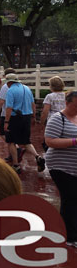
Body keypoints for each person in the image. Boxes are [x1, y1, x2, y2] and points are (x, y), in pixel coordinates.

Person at [44, 90, 77, 248]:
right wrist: (74, 142)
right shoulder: (58, 119)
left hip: (74, 166)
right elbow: (50, 141)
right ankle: (69, 235)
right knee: (70, 198)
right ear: (67, 103)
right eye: (75, 105)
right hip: (60, 166)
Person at [4, 73, 45, 174]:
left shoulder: (10, 91)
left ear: (9, 82)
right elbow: (33, 104)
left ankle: (16, 165)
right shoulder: (27, 88)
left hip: (14, 118)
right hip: (26, 117)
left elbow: (8, 108)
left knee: (11, 141)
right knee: (26, 141)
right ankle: (37, 156)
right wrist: (34, 116)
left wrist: (6, 121)